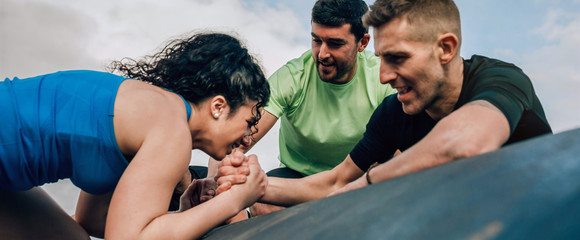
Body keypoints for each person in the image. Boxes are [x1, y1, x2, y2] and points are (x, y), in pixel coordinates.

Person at [217, 0, 551, 210]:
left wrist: (368, 182)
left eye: (397, 58)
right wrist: (250, 182)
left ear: (446, 49)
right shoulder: (394, 112)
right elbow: (335, 182)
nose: (385, 76)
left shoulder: (500, 80)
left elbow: (463, 142)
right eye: (381, 59)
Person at [0, 32, 269, 239]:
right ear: (219, 107)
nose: (248, 137)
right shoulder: (172, 128)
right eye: (248, 121)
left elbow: (93, 220)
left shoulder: (150, 114)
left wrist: (185, 214)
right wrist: (233, 200)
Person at [206, 0, 396, 219]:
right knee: (261, 203)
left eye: (335, 43)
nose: (322, 53)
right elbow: (232, 140)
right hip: (297, 177)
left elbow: (403, 146)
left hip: (359, 174)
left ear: (362, 43)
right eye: (316, 40)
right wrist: (212, 182)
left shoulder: (384, 78)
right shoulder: (292, 78)